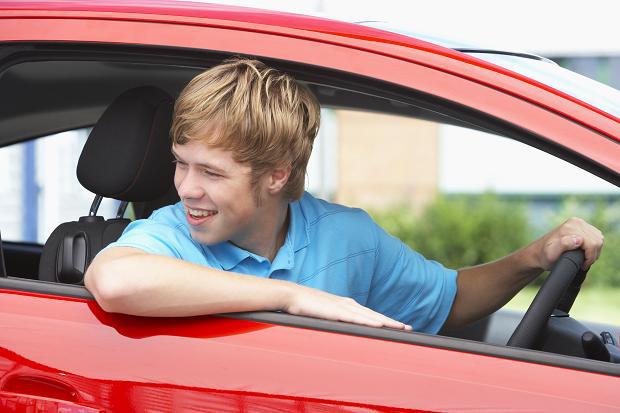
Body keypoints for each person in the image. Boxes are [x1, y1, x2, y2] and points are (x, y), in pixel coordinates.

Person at [84, 58, 604, 334]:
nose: (186, 187)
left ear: (275, 175)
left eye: (212, 173)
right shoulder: (172, 234)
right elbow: (115, 279)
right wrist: (292, 296)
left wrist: (533, 257)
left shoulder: (347, 234)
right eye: (180, 163)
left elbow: (450, 301)